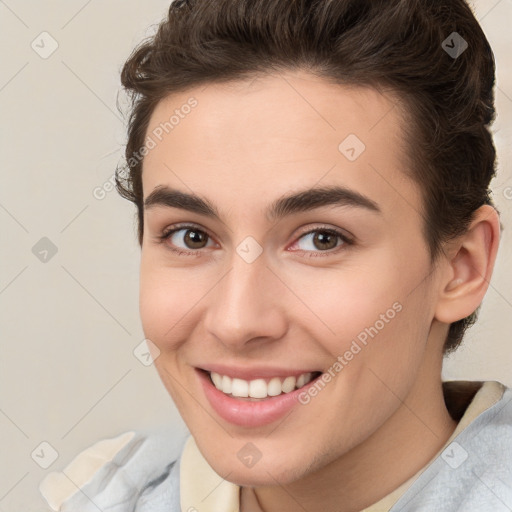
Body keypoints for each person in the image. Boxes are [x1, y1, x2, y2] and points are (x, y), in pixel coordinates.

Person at [39, 0, 512, 510]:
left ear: (462, 267)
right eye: (191, 237)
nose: (237, 322)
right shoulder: (96, 495)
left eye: (321, 239)